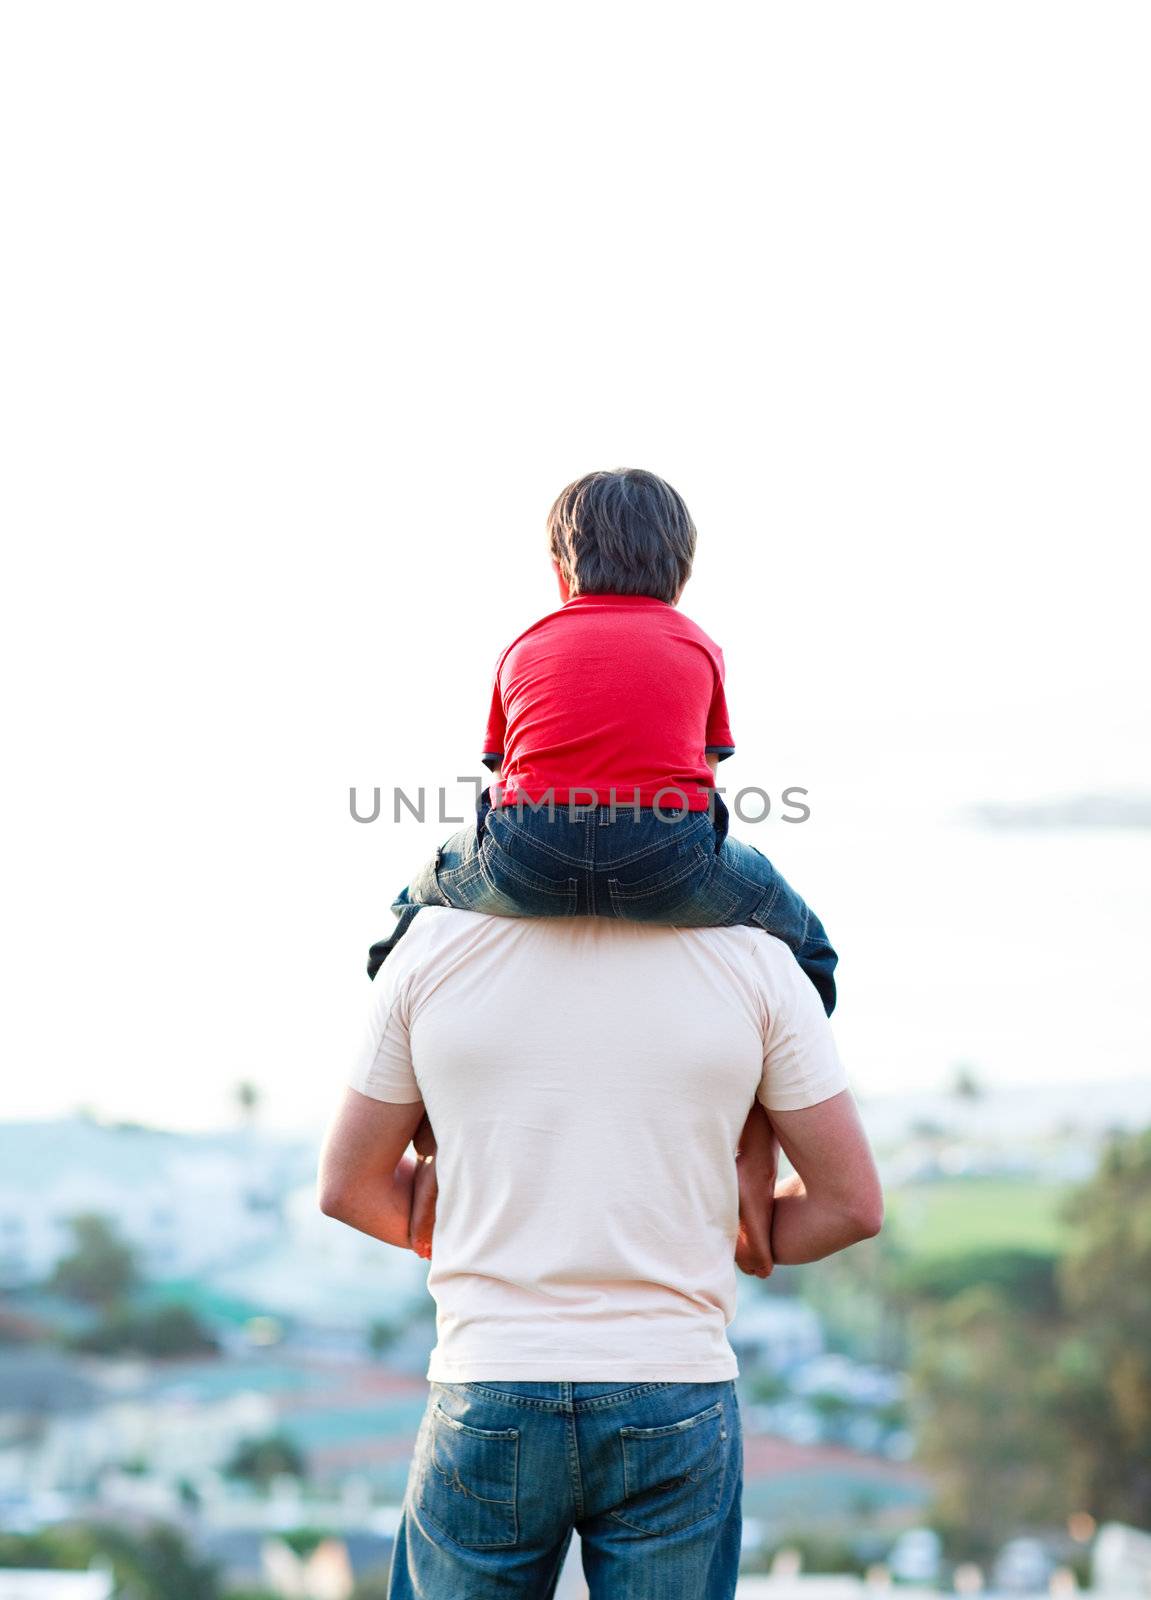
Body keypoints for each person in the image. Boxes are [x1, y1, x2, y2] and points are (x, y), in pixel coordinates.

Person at [319, 908, 883, 1599]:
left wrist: (464, 1218)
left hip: (490, 1379)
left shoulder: (431, 944)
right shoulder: (756, 958)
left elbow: (349, 1187)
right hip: (674, 1387)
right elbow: (849, 1206)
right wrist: (729, 1236)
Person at [367, 467, 838, 1020]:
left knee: (409, 911)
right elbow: (706, 772)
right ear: (681, 575)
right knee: (810, 947)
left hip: (528, 848)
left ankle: (396, 1053)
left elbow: (504, 776)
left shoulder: (523, 646)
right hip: (663, 853)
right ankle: (781, 1088)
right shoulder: (699, 647)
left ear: (560, 570)